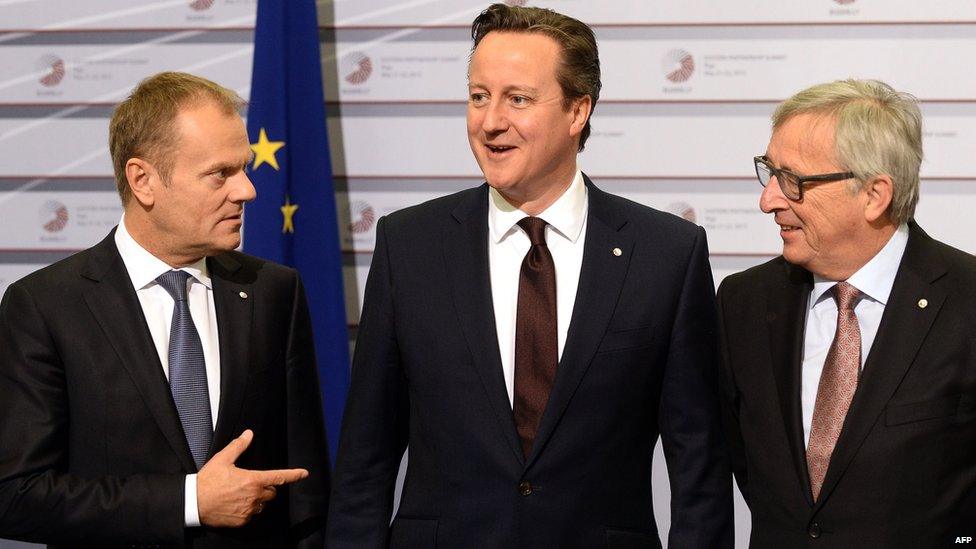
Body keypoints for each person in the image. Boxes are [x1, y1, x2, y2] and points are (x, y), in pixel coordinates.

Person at [327, 4, 733, 547]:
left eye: (517, 99)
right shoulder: (411, 246)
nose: (490, 121)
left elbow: (700, 471)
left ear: (577, 111)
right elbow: (365, 461)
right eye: (478, 96)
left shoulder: (666, 254)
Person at [0, 72, 330, 547]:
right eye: (221, 173)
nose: (246, 191)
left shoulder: (273, 291)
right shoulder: (47, 306)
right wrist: (189, 501)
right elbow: (16, 494)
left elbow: (305, 483)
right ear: (143, 180)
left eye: (244, 169)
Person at [718, 79, 976, 547]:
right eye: (769, 172)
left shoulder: (967, 300)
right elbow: (745, 467)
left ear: (875, 195)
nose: (769, 199)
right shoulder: (744, 302)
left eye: (793, 180)